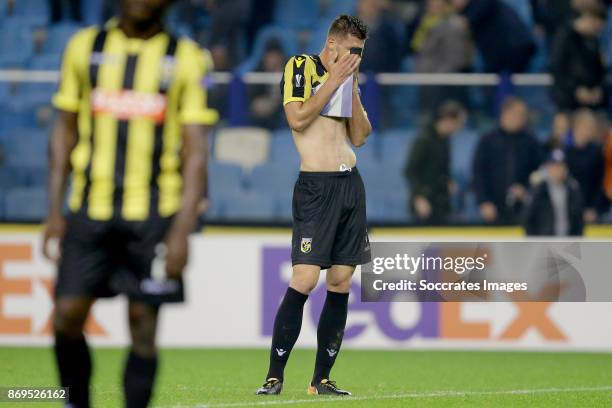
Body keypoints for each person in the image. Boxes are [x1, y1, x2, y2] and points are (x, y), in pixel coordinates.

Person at [43, 0, 218, 406]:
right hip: (89, 210)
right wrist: (54, 211)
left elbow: (195, 152)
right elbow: (64, 131)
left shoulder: (187, 58)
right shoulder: (84, 47)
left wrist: (181, 231)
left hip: (153, 217)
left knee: (143, 322)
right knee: (67, 316)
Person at [256, 15, 372, 396]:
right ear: (332, 43)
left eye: (361, 52)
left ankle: (321, 379)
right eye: (352, 50)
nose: (356, 57)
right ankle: (274, 375)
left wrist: (350, 85)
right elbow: (298, 118)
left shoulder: (349, 78)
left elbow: (360, 136)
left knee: (340, 281)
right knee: (305, 278)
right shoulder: (300, 67)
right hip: (317, 188)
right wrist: (334, 80)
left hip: (349, 187)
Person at [472, 97, 543, 223]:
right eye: (518, 114)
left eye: (523, 115)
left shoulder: (530, 141)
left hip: (525, 208)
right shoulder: (488, 140)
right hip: (493, 209)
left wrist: (527, 190)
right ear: (505, 113)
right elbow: (478, 173)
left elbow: (539, 172)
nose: (522, 118)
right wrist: (483, 202)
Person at [405, 100, 467, 224]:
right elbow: (410, 171)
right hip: (424, 204)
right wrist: (419, 197)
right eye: (459, 123)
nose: (460, 128)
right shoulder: (424, 140)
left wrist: (448, 181)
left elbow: (442, 169)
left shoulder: (446, 141)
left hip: (442, 203)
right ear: (449, 119)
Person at [411, 0, 473, 115]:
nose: (432, 5)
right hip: (427, 80)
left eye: (437, 3)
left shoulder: (454, 26)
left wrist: (436, 76)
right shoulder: (425, 22)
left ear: (446, 6)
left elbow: (455, 60)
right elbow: (419, 49)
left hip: (443, 83)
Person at [451, 0, 536, 73]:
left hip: (513, 47)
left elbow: (462, 22)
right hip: (506, 51)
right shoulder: (467, 11)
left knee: (504, 79)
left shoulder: (479, 4)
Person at [550, 4, 608, 111]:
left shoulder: (593, 41)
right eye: (596, 27)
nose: (597, 31)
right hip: (567, 102)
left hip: (591, 102)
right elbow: (557, 69)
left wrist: (598, 89)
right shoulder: (564, 37)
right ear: (588, 18)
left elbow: (600, 70)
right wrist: (576, 90)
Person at [523, 149, 584, 236]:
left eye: (561, 166)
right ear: (547, 168)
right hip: (545, 241)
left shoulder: (573, 189)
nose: (558, 170)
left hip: (569, 240)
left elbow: (579, 219)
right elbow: (528, 218)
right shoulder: (538, 189)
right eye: (554, 166)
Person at [564, 109, 606, 222]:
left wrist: (594, 209)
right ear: (576, 127)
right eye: (586, 126)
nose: (589, 131)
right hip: (568, 209)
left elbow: (601, 182)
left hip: (592, 210)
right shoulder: (564, 152)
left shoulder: (597, 152)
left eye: (591, 127)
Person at [249, 40, 286, 128]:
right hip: (264, 117)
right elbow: (253, 97)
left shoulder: (291, 70)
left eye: (275, 56)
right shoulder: (258, 72)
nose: (272, 60)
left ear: (281, 57)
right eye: (269, 56)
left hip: (283, 112)